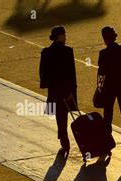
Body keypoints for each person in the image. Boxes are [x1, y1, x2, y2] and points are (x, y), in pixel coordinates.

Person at [39, 26, 77, 154]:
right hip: (66, 90)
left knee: (59, 117)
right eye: (64, 35)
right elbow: (72, 74)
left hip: (54, 90)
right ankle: (64, 140)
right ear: (60, 36)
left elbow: (43, 72)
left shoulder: (46, 52)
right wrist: (72, 91)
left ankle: (63, 140)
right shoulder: (68, 51)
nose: (66, 37)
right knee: (64, 115)